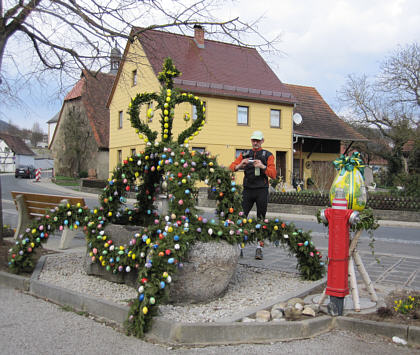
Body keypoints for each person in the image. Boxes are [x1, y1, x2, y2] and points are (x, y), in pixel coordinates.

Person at [229, 130, 276, 259]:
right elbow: (231, 167)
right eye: (253, 140)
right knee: (241, 218)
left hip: (261, 190)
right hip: (247, 190)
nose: (255, 142)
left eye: (258, 140)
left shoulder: (268, 155)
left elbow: (273, 174)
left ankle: (259, 248)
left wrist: (262, 166)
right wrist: (240, 165)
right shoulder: (245, 154)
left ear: (262, 141)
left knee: (261, 219)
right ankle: (239, 248)